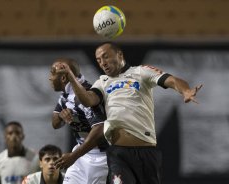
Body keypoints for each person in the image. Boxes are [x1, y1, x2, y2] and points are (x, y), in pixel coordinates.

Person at [56, 42, 203, 184]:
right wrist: (71, 77)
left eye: (106, 56)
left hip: (146, 151)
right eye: (99, 60)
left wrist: (185, 91)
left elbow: (172, 80)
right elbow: (88, 100)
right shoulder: (102, 82)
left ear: (119, 54)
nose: (103, 63)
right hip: (118, 154)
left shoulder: (141, 71)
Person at [49, 58, 108, 184]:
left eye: (52, 73)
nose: (50, 78)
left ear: (63, 78)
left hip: (99, 157)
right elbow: (54, 123)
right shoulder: (66, 94)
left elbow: (100, 130)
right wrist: (60, 115)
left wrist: (73, 156)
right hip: (81, 153)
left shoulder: (84, 95)